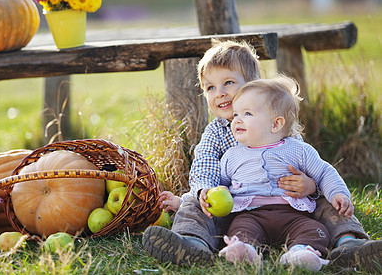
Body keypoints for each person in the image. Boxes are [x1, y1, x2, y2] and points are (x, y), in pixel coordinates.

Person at [142, 40, 380, 270]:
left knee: (329, 202)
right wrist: (200, 192)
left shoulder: (279, 129)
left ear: (252, 85)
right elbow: (206, 168)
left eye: (228, 83)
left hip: (293, 205)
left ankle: (349, 244)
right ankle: (192, 243)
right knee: (198, 204)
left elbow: (313, 166)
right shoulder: (215, 132)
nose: (220, 93)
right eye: (210, 87)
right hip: (237, 210)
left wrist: (311, 186)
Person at [216, 76, 353, 271]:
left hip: (293, 214)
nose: (237, 119)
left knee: (315, 230)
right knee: (241, 229)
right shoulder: (232, 156)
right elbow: (218, 183)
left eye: (247, 113)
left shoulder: (298, 150)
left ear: (276, 124)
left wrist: (339, 193)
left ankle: (300, 252)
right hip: (251, 214)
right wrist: (214, 191)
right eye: (236, 114)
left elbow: (324, 172)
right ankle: (246, 250)